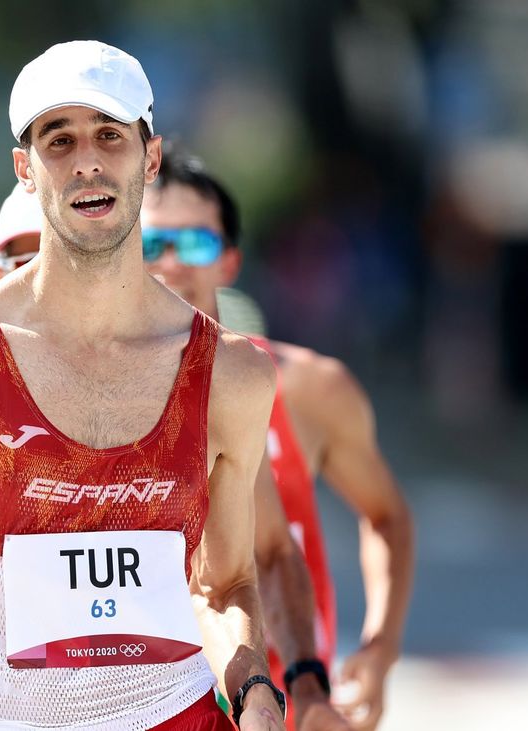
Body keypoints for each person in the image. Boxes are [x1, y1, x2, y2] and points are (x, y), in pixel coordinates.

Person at [0, 40, 286, 730]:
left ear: (151, 157)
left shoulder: (233, 372)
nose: (87, 162)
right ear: (23, 168)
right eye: (59, 140)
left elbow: (226, 585)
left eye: (110, 134)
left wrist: (257, 692)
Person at [0, 178, 349, 731]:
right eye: (28, 257)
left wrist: (293, 688)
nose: (50, 274)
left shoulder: (193, 389)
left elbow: (256, 563)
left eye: (66, 253)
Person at [141, 147, 415, 731]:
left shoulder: (307, 387)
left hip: (286, 701)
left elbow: (385, 517)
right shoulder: (96, 394)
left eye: (194, 244)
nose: (168, 263)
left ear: (230, 262)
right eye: (149, 245)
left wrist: (379, 648)